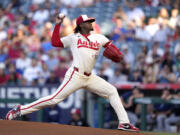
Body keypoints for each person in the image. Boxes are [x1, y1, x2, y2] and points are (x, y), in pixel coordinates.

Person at [5, 14, 139, 132]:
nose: (91, 23)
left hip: (90, 77)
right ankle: (20, 110)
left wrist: (119, 56)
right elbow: (55, 42)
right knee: (54, 99)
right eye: (88, 22)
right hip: (75, 75)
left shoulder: (99, 38)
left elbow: (115, 52)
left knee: (112, 91)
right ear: (81, 25)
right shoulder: (74, 37)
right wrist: (57, 24)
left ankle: (124, 123)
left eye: (91, 21)